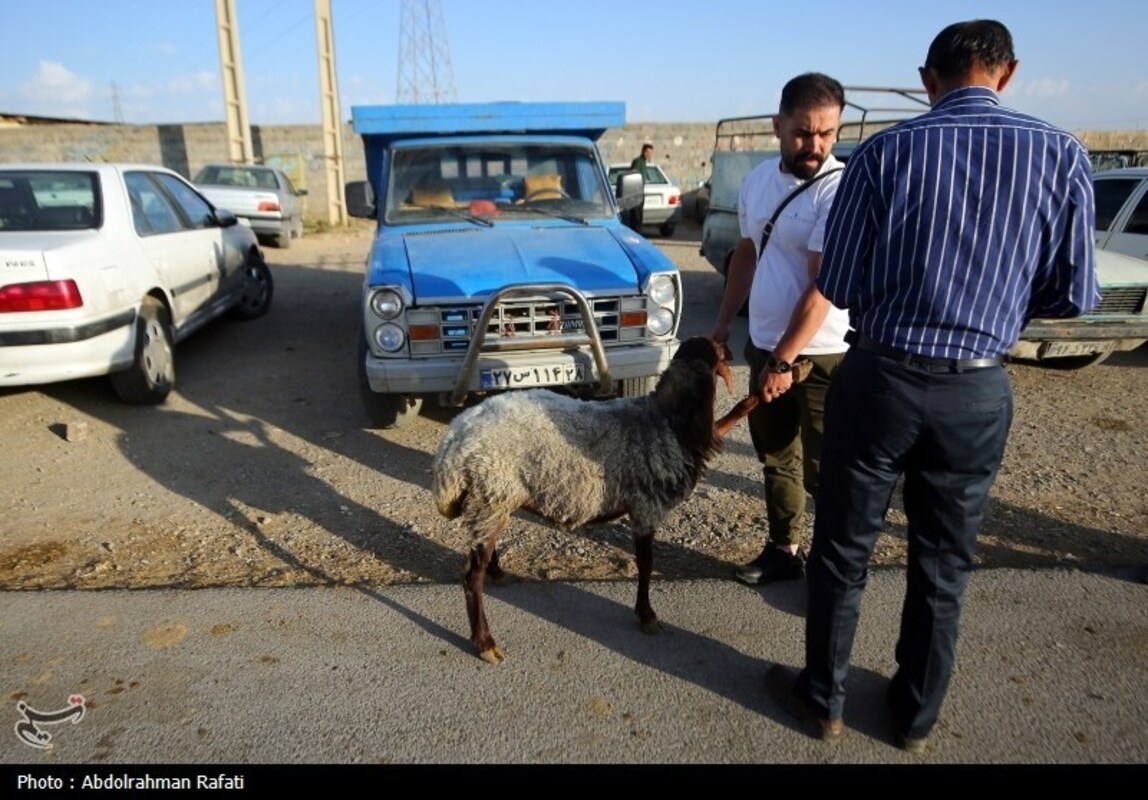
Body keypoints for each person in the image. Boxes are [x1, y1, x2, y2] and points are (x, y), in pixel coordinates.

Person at [765, 20, 1099, 751]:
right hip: (978, 389)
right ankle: (914, 716)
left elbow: (843, 283)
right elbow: (1075, 294)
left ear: (927, 79)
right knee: (945, 560)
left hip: (880, 376)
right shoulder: (1063, 153)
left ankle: (823, 698)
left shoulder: (884, 152)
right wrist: (995, 304)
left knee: (844, 548)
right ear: (1007, 76)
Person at [709, 72, 849, 586]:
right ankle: (784, 550)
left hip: (819, 354)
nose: (814, 145)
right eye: (802, 133)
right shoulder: (757, 181)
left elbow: (822, 290)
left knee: (825, 470)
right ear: (778, 125)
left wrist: (785, 361)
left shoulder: (839, 191)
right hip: (765, 346)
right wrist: (722, 326)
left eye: (826, 134)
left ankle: (833, 565)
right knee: (776, 458)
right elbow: (746, 253)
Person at [626, 143, 655, 231]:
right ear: (643, 152)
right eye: (647, 152)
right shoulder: (638, 161)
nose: (649, 154)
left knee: (639, 217)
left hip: (640, 192)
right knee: (636, 218)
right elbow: (633, 175)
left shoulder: (643, 163)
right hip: (635, 193)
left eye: (650, 153)